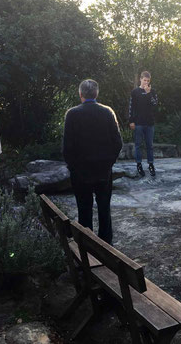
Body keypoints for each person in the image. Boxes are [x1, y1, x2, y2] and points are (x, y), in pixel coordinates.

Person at [63, 79, 123, 244]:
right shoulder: (107, 112)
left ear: (80, 94)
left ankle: (88, 248)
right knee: (104, 210)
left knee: (84, 211)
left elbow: (67, 148)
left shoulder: (72, 114)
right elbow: (118, 143)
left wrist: (74, 168)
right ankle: (107, 246)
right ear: (96, 94)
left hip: (81, 173)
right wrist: (108, 163)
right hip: (103, 171)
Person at [129, 71, 158, 177]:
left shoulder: (152, 91)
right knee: (138, 145)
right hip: (138, 123)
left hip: (149, 123)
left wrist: (148, 93)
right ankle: (139, 165)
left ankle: (151, 165)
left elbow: (155, 105)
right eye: (144, 80)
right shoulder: (135, 92)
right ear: (140, 79)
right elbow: (131, 107)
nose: (146, 82)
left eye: (148, 81)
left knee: (149, 145)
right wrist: (131, 121)